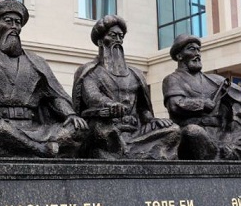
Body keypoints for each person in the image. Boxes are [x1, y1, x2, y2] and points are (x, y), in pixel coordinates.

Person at [0, 0, 87, 158]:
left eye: (17, 22)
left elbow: (54, 96)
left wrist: (70, 114)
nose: (14, 27)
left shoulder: (36, 61)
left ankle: (34, 148)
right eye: (8, 21)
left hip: (35, 129)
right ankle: (39, 150)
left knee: (79, 129)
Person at [73, 15, 180, 159]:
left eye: (121, 36)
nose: (118, 40)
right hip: (109, 127)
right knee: (101, 130)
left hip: (135, 130)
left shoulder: (136, 73)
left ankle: (132, 152)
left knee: (174, 130)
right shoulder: (90, 72)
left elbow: (143, 109)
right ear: (100, 41)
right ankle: (128, 152)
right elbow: (93, 97)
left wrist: (151, 120)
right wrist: (110, 105)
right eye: (113, 36)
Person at [163, 34, 241, 160]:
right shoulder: (172, 79)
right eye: (192, 49)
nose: (197, 54)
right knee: (192, 132)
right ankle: (219, 156)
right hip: (198, 133)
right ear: (179, 56)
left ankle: (227, 153)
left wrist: (235, 123)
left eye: (198, 50)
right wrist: (202, 104)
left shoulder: (215, 80)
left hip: (221, 134)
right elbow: (175, 104)